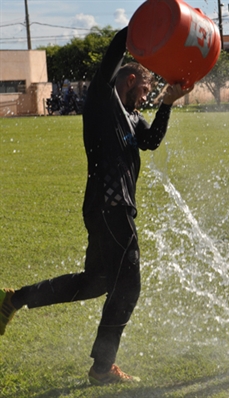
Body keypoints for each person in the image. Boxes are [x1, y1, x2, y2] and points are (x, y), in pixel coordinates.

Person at [0, 27, 190, 385]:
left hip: (105, 208)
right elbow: (117, 48)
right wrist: (142, 26)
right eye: (146, 90)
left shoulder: (132, 117)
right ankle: (102, 367)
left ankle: (15, 298)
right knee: (128, 285)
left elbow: (150, 140)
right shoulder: (104, 99)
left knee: (97, 281)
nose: (144, 98)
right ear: (130, 79)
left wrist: (166, 102)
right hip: (110, 205)